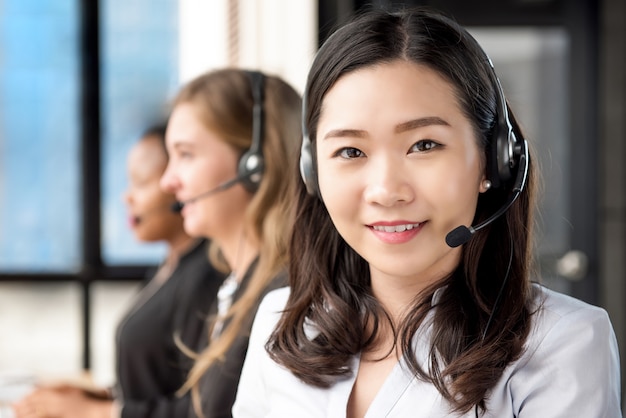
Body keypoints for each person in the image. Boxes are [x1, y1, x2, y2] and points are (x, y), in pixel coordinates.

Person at [233, 7, 622, 418]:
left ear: (493, 161)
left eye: (424, 145)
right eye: (350, 151)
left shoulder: (563, 342)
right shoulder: (283, 325)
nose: (386, 191)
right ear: (313, 172)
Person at [13, 124, 226, 418]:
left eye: (140, 182)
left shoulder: (206, 276)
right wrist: (96, 395)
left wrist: (94, 411)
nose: (127, 197)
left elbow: (202, 406)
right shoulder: (169, 267)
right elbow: (161, 380)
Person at [159, 68, 301, 418]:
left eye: (186, 154)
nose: (167, 181)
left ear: (254, 164)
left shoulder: (286, 297)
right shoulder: (238, 284)